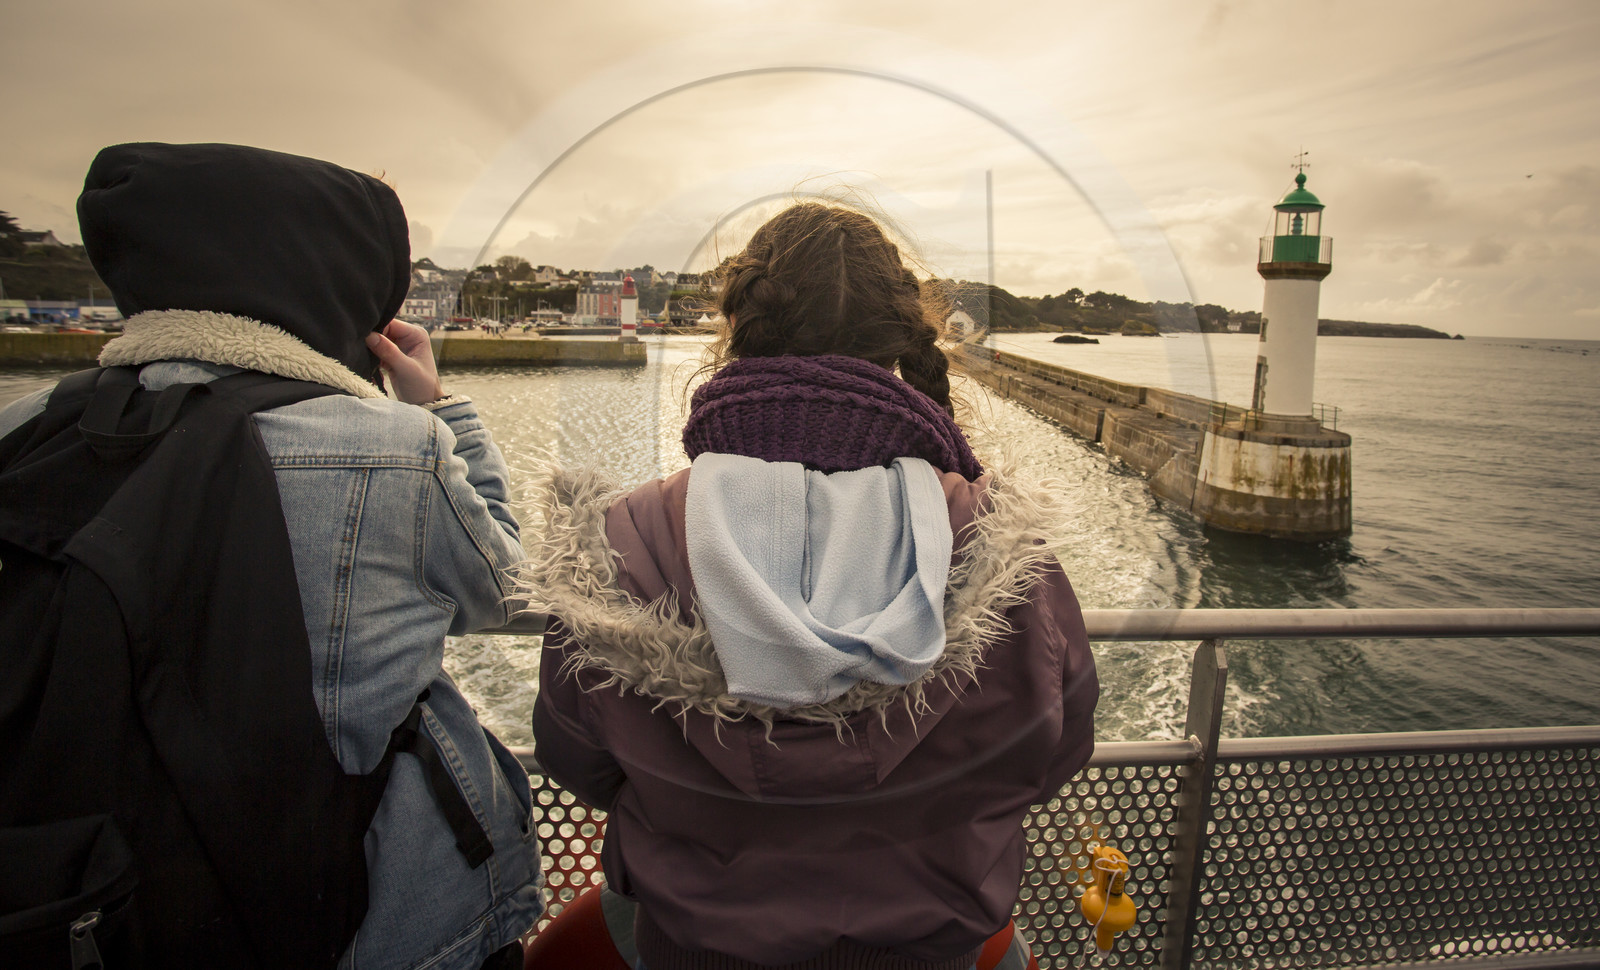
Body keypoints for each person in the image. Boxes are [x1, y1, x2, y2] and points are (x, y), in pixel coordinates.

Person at [0, 142, 542, 969]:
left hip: (96, 900)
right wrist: (443, 412)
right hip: (374, 922)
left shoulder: (30, 428)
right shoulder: (396, 449)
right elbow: (504, 588)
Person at [527, 203, 1099, 970]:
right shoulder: (999, 546)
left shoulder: (623, 538)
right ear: (904, 338)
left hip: (695, 945)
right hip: (934, 947)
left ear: (733, 328)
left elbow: (576, 758)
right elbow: (1054, 746)